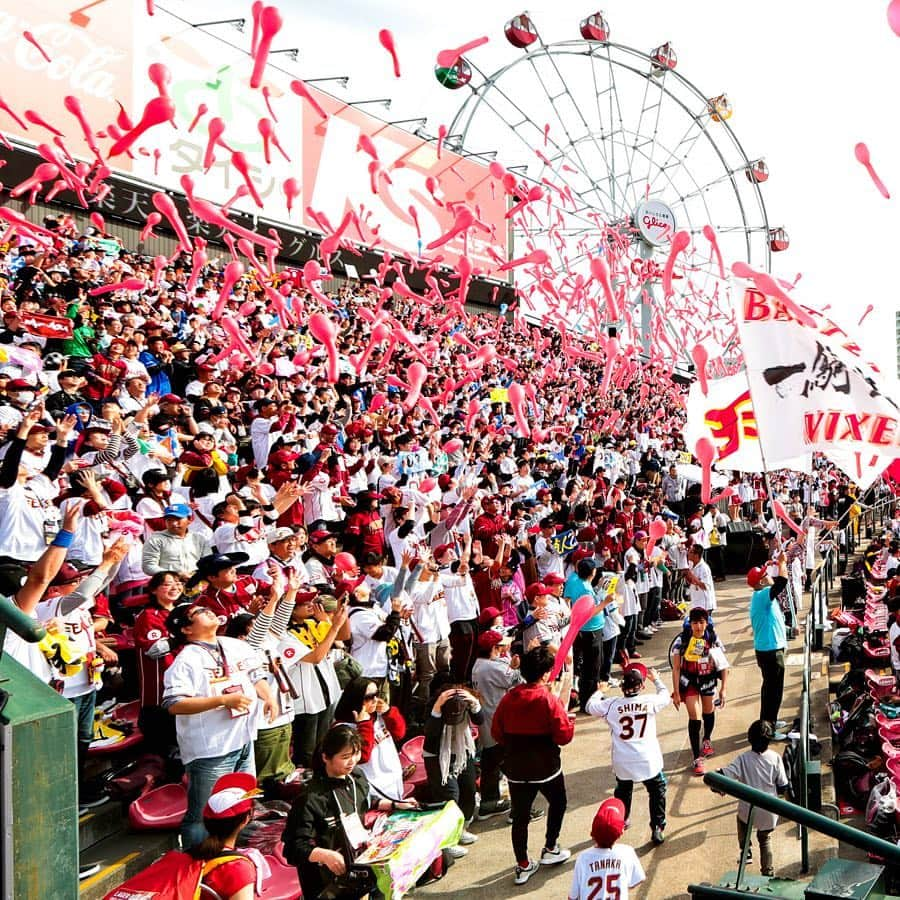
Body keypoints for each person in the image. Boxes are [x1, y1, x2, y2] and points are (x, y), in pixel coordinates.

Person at [162, 601, 278, 847]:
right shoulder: (186, 660)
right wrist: (222, 700)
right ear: (186, 629)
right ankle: (196, 866)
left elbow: (255, 675)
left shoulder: (234, 645)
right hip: (211, 748)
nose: (207, 610)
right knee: (203, 815)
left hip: (243, 739)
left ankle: (230, 857)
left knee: (239, 804)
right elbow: (173, 704)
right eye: (198, 612)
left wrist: (268, 697)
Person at [283, 724, 416, 898]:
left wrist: (394, 804)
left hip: (359, 867)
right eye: (345, 757)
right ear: (326, 757)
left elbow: (366, 802)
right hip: (326, 882)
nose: (352, 761)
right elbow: (293, 848)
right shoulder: (310, 798)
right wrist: (325, 855)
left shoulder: (357, 777)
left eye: (356, 754)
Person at [492, 645, 575, 885]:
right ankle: (550, 846)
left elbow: (497, 731)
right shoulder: (549, 700)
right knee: (558, 803)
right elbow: (564, 736)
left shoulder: (509, 698)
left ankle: (523, 863)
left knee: (520, 817)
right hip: (546, 767)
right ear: (546, 673)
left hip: (516, 769)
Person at [585, 664, 670, 845]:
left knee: (623, 790)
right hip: (648, 759)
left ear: (622, 687)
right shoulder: (649, 701)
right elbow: (665, 695)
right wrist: (656, 679)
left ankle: (621, 820)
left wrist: (599, 691)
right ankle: (657, 826)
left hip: (623, 760)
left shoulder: (612, 704)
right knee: (657, 789)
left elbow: (590, 707)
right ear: (642, 686)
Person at [714, 720, 790, 876]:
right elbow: (783, 786)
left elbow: (726, 774)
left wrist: (716, 776)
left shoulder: (743, 759)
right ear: (770, 740)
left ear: (749, 739)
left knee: (741, 822)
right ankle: (768, 872)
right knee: (765, 839)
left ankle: (745, 849)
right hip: (769, 809)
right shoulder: (775, 758)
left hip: (748, 810)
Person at [422, 671, 482, 856]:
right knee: (450, 797)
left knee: (468, 792)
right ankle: (446, 841)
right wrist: (438, 709)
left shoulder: (466, 706)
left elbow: (480, 720)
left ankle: (461, 829)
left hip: (462, 752)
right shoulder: (434, 711)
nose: (456, 712)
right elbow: (430, 733)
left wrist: (474, 704)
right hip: (438, 757)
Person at [671, 606, 729, 776]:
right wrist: (676, 692)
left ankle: (707, 739)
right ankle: (697, 758)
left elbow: (724, 665)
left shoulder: (713, 638)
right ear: (690, 624)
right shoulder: (681, 641)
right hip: (689, 681)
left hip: (708, 680)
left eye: (701, 622)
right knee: (694, 717)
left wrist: (723, 689)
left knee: (708, 712)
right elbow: (676, 668)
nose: (698, 627)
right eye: (695, 622)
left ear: (706, 623)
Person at [472, 628, 521, 820]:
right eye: (500, 646)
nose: (503, 649)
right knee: (513, 767)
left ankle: (488, 804)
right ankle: (519, 808)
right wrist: (516, 666)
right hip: (498, 723)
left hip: (488, 722)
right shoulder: (491, 667)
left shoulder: (479, 664)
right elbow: (517, 680)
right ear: (494, 647)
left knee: (490, 763)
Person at [567, 798, 645, 900]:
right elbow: (637, 880)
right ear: (621, 831)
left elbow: (573, 896)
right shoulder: (627, 852)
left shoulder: (583, 858)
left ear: (592, 833)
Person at [747, 554, 789, 735]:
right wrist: (782, 563)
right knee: (773, 690)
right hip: (771, 651)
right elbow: (782, 582)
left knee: (772, 688)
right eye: (765, 575)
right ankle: (768, 727)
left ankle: (771, 719)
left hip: (769, 648)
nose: (769, 576)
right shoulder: (762, 595)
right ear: (761, 582)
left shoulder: (761, 596)